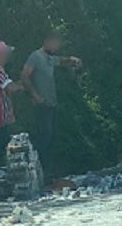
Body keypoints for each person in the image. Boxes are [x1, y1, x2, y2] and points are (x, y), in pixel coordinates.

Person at [21, 31, 82, 169]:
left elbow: (60, 60)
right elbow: (24, 76)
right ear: (47, 41)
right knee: (43, 138)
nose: (56, 48)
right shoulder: (35, 56)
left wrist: (72, 60)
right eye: (55, 44)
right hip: (41, 104)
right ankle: (36, 168)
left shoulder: (49, 58)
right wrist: (35, 95)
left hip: (51, 104)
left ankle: (46, 170)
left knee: (50, 138)